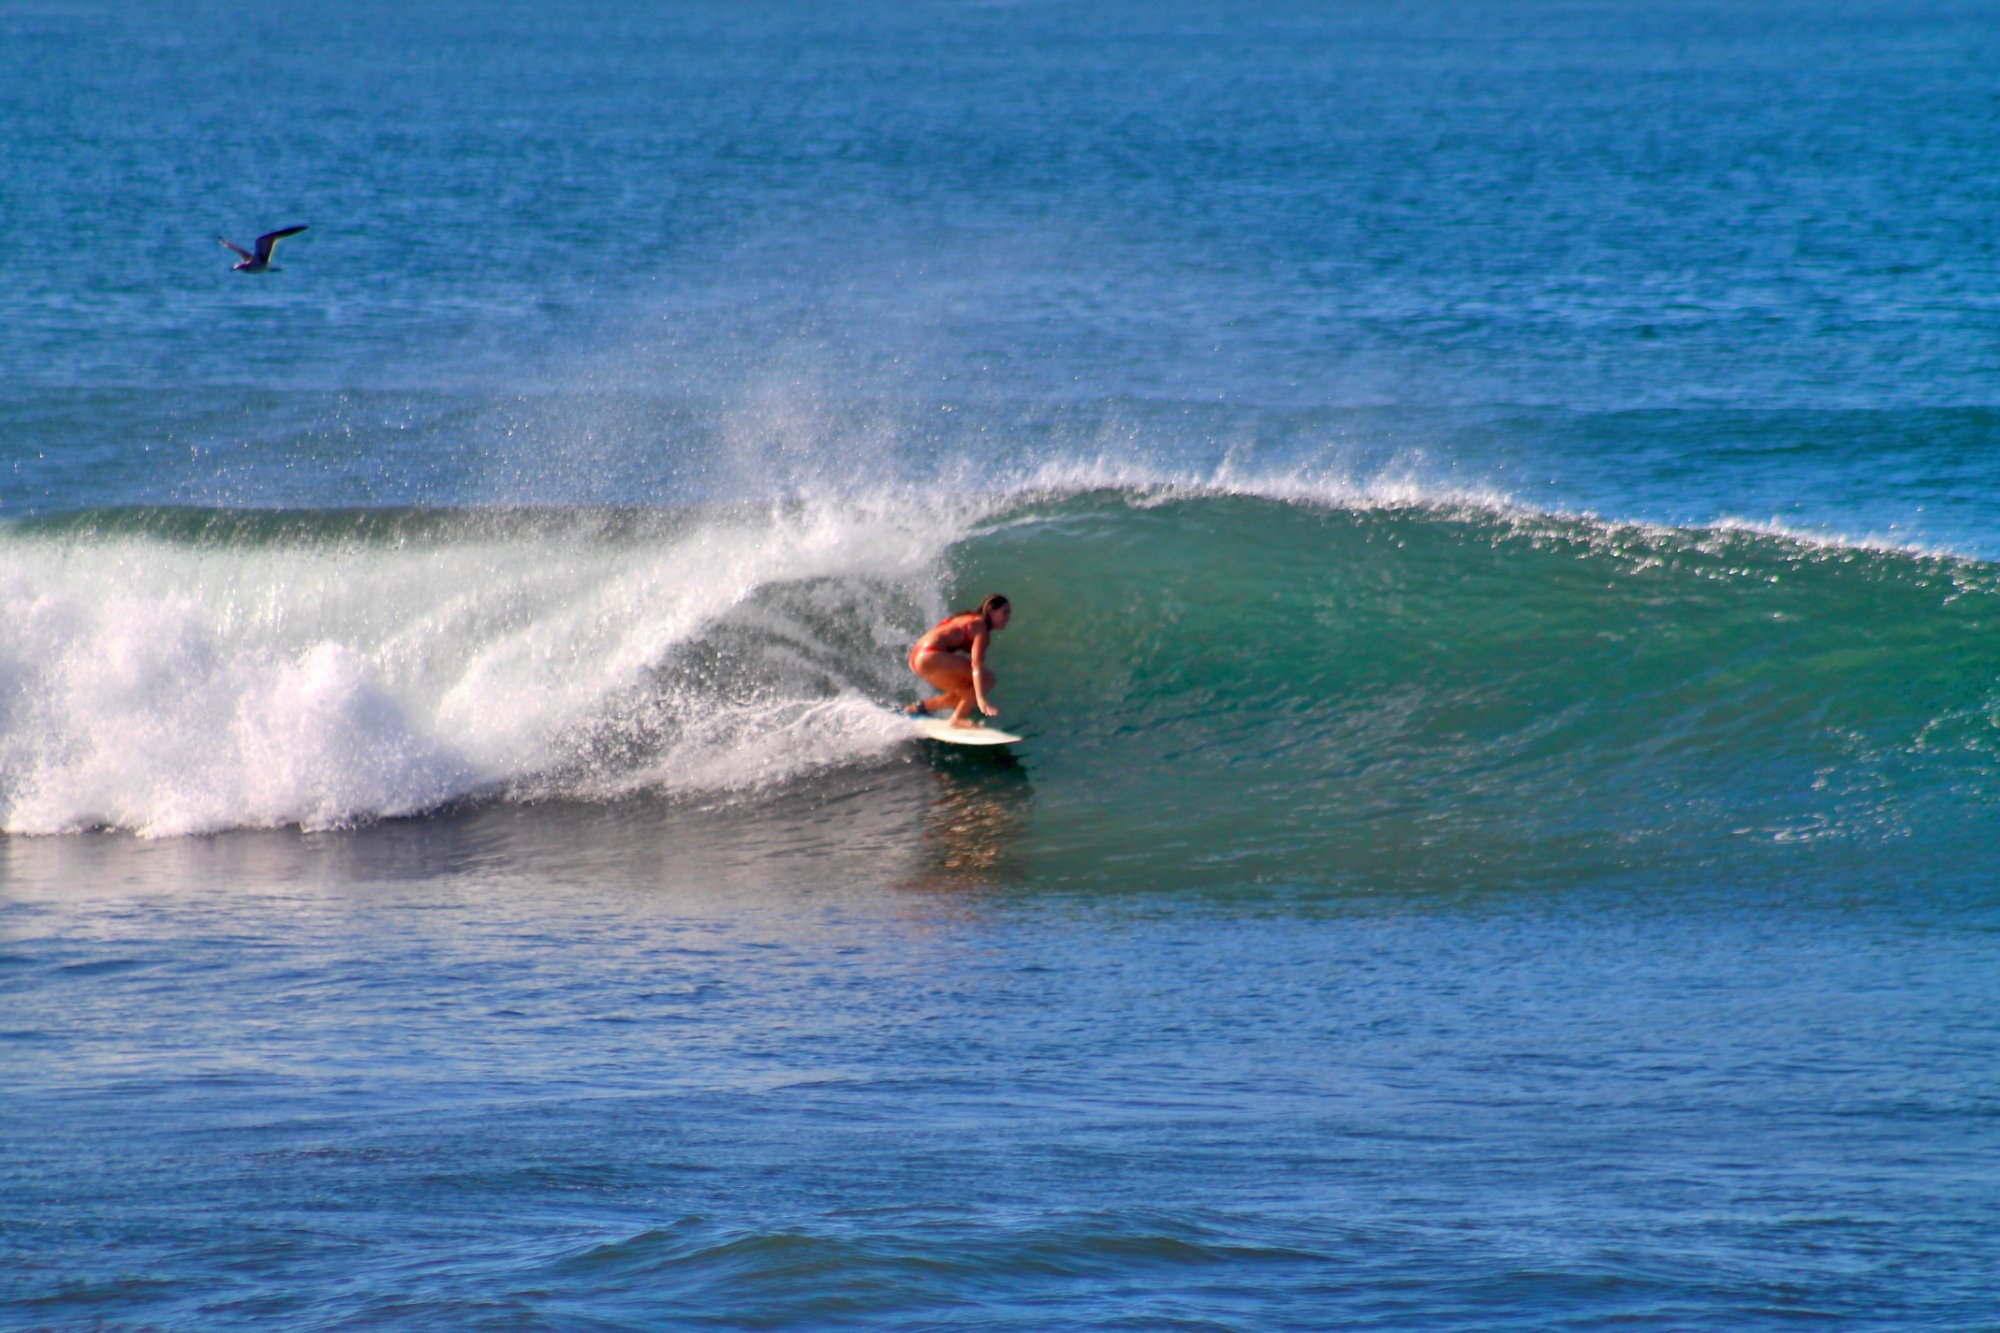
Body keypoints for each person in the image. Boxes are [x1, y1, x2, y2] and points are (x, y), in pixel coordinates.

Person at [905, 594, 1011, 727]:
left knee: (966, 693)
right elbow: (976, 665)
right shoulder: (980, 627)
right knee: (987, 679)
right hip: (930, 655)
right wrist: (981, 699)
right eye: (1005, 612)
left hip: (917, 657)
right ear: (990, 611)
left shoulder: (966, 618)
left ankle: (919, 708)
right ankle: (957, 719)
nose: (1008, 618)